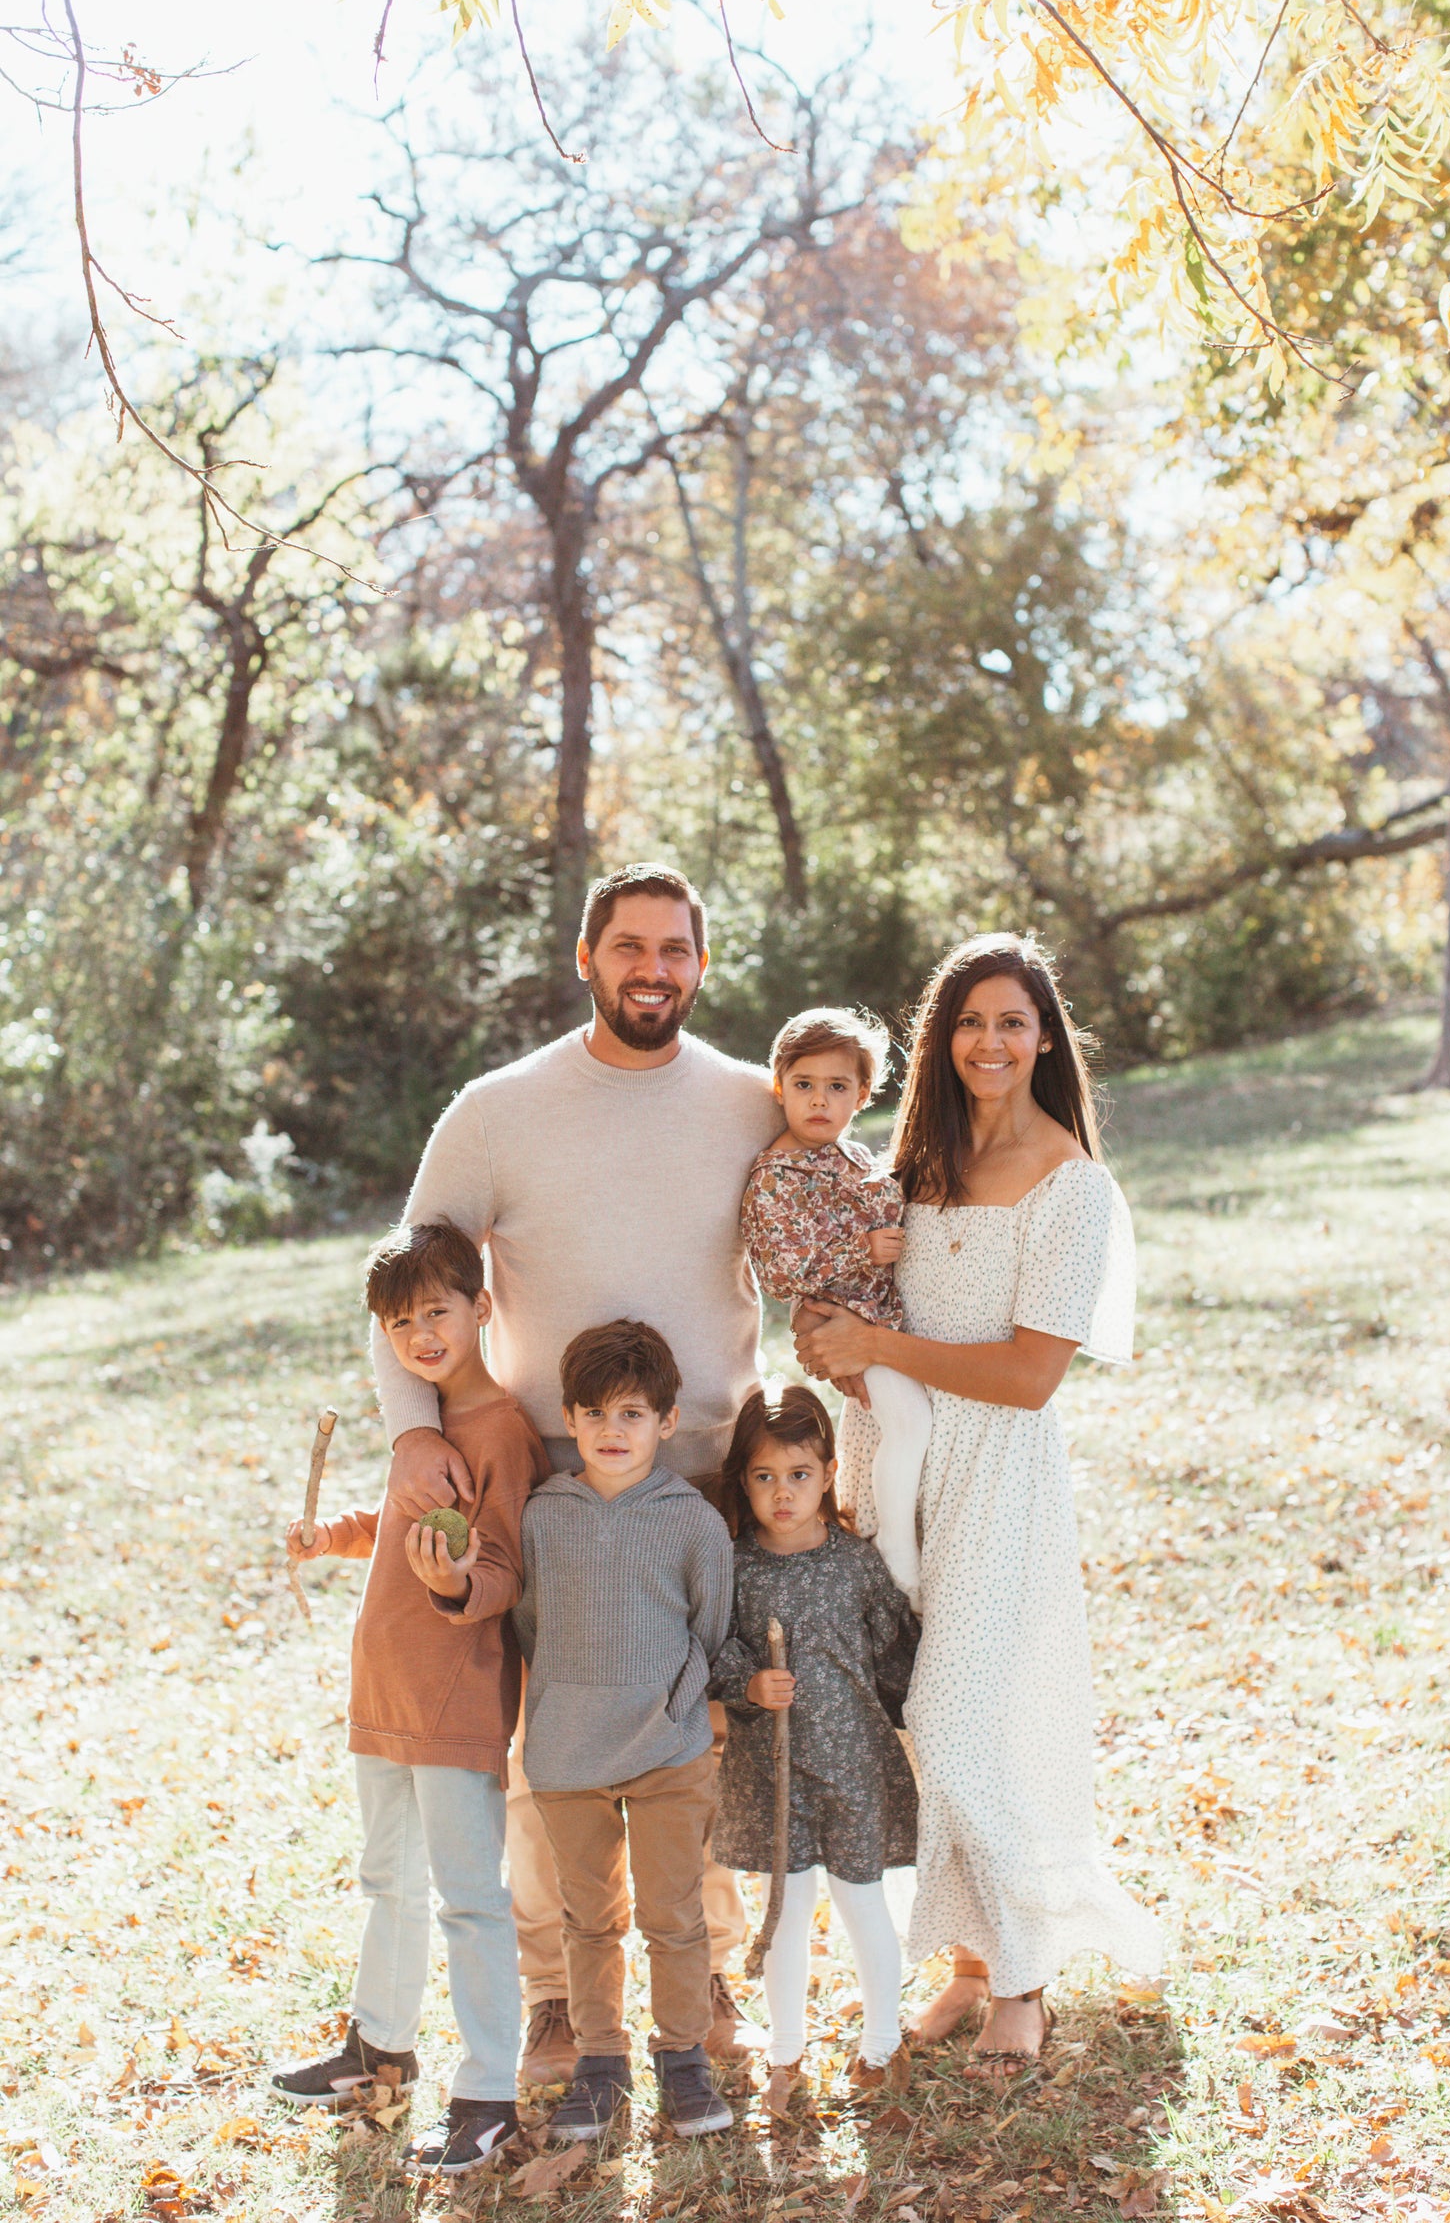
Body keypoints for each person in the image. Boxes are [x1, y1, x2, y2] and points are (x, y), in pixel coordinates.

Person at [373, 864, 782, 2083]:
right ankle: (555, 1997)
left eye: (674, 950)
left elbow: (828, 1246)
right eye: (629, 947)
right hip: (547, 1484)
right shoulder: (499, 1110)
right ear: (587, 958)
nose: (651, 968)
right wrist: (410, 1430)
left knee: (691, 1737)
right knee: (543, 1748)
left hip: (705, 1471)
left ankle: (703, 1983)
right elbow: (405, 1284)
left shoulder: (753, 1101)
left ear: (701, 966)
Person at [796, 933, 1162, 2071]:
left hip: (997, 1476)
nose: (989, 1043)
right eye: (967, 1023)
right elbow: (852, 1309)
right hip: (886, 1464)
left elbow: (1028, 1373)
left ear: (1045, 1036)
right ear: (939, 1041)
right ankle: (963, 1962)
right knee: (916, 1727)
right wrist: (834, 1348)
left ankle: (1026, 1975)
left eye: (1011, 1022)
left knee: (962, 1717)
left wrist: (880, 1341)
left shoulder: (1072, 1185)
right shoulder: (916, 1165)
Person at [269, 1222, 551, 2176]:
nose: (422, 1333)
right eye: (400, 1321)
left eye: (438, 1311)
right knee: (386, 1879)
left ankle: (486, 2094)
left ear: (480, 1308)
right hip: (382, 1684)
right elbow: (396, 1525)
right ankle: (379, 2051)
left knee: (469, 1899)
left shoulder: (503, 1431)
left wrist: (453, 1585)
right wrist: (333, 1537)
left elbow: (504, 1570)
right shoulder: (419, 1427)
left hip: (453, 1697)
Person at [513, 1321, 734, 2143]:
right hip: (568, 1752)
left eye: (633, 1414)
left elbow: (711, 1629)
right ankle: (601, 2063)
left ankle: (683, 2058)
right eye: (596, 1414)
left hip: (668, 1750)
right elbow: (532, 1624)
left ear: (667, 1423)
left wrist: (673, 1705)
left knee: (674, 1915)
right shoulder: (545, 1516)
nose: (614, 1431)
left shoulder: (690, 1521)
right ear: (569, 1419)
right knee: (588, 1917)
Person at [709, 1387, 920, 2104]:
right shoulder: (735, 1568)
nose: (783, 1493)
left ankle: (882, 2047)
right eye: (764, 1477)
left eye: (799, 1474)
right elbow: (712, 1651)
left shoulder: (853, 1565)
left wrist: (920, 1715)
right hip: (773, 1777)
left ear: (828, 1474)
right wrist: (748, 1684)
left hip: (852, 1769)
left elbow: (895, 1648)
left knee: (864, 1906)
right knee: (785, 1914)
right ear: (744, 1482)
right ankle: (786, 2054)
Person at [740, 1007, 932, 1606]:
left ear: (862, 1095)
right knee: (910, 1423)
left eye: (837, 1087)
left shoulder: (851, 1156)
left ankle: (885, 1528)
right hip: (852, 1326)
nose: (818, 1101)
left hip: (891, 1322)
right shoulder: (776, 1173)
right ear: (780, 1086)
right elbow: (777, 1269)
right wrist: (861, 1248)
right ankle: (897, 1553)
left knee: (903, 1429)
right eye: (804, 1085)